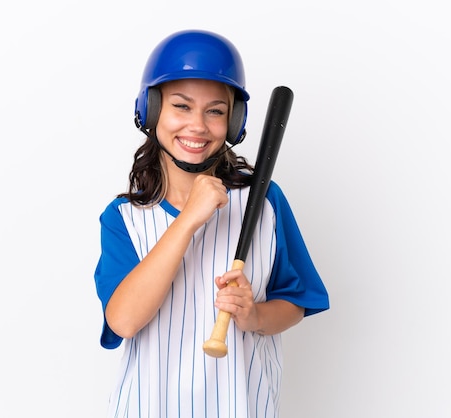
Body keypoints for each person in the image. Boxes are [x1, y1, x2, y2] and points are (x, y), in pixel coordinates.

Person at [94, 29, 329, 417]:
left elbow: (297, 301)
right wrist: (189, 219)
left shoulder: (264, 202)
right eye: (181, 106)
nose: (198, 126)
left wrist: (255, 316)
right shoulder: (123, 218)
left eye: (216, 111)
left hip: (241, 404)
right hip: (148, 406)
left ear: (234, 120)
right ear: (152, 110)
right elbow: (123, 321)